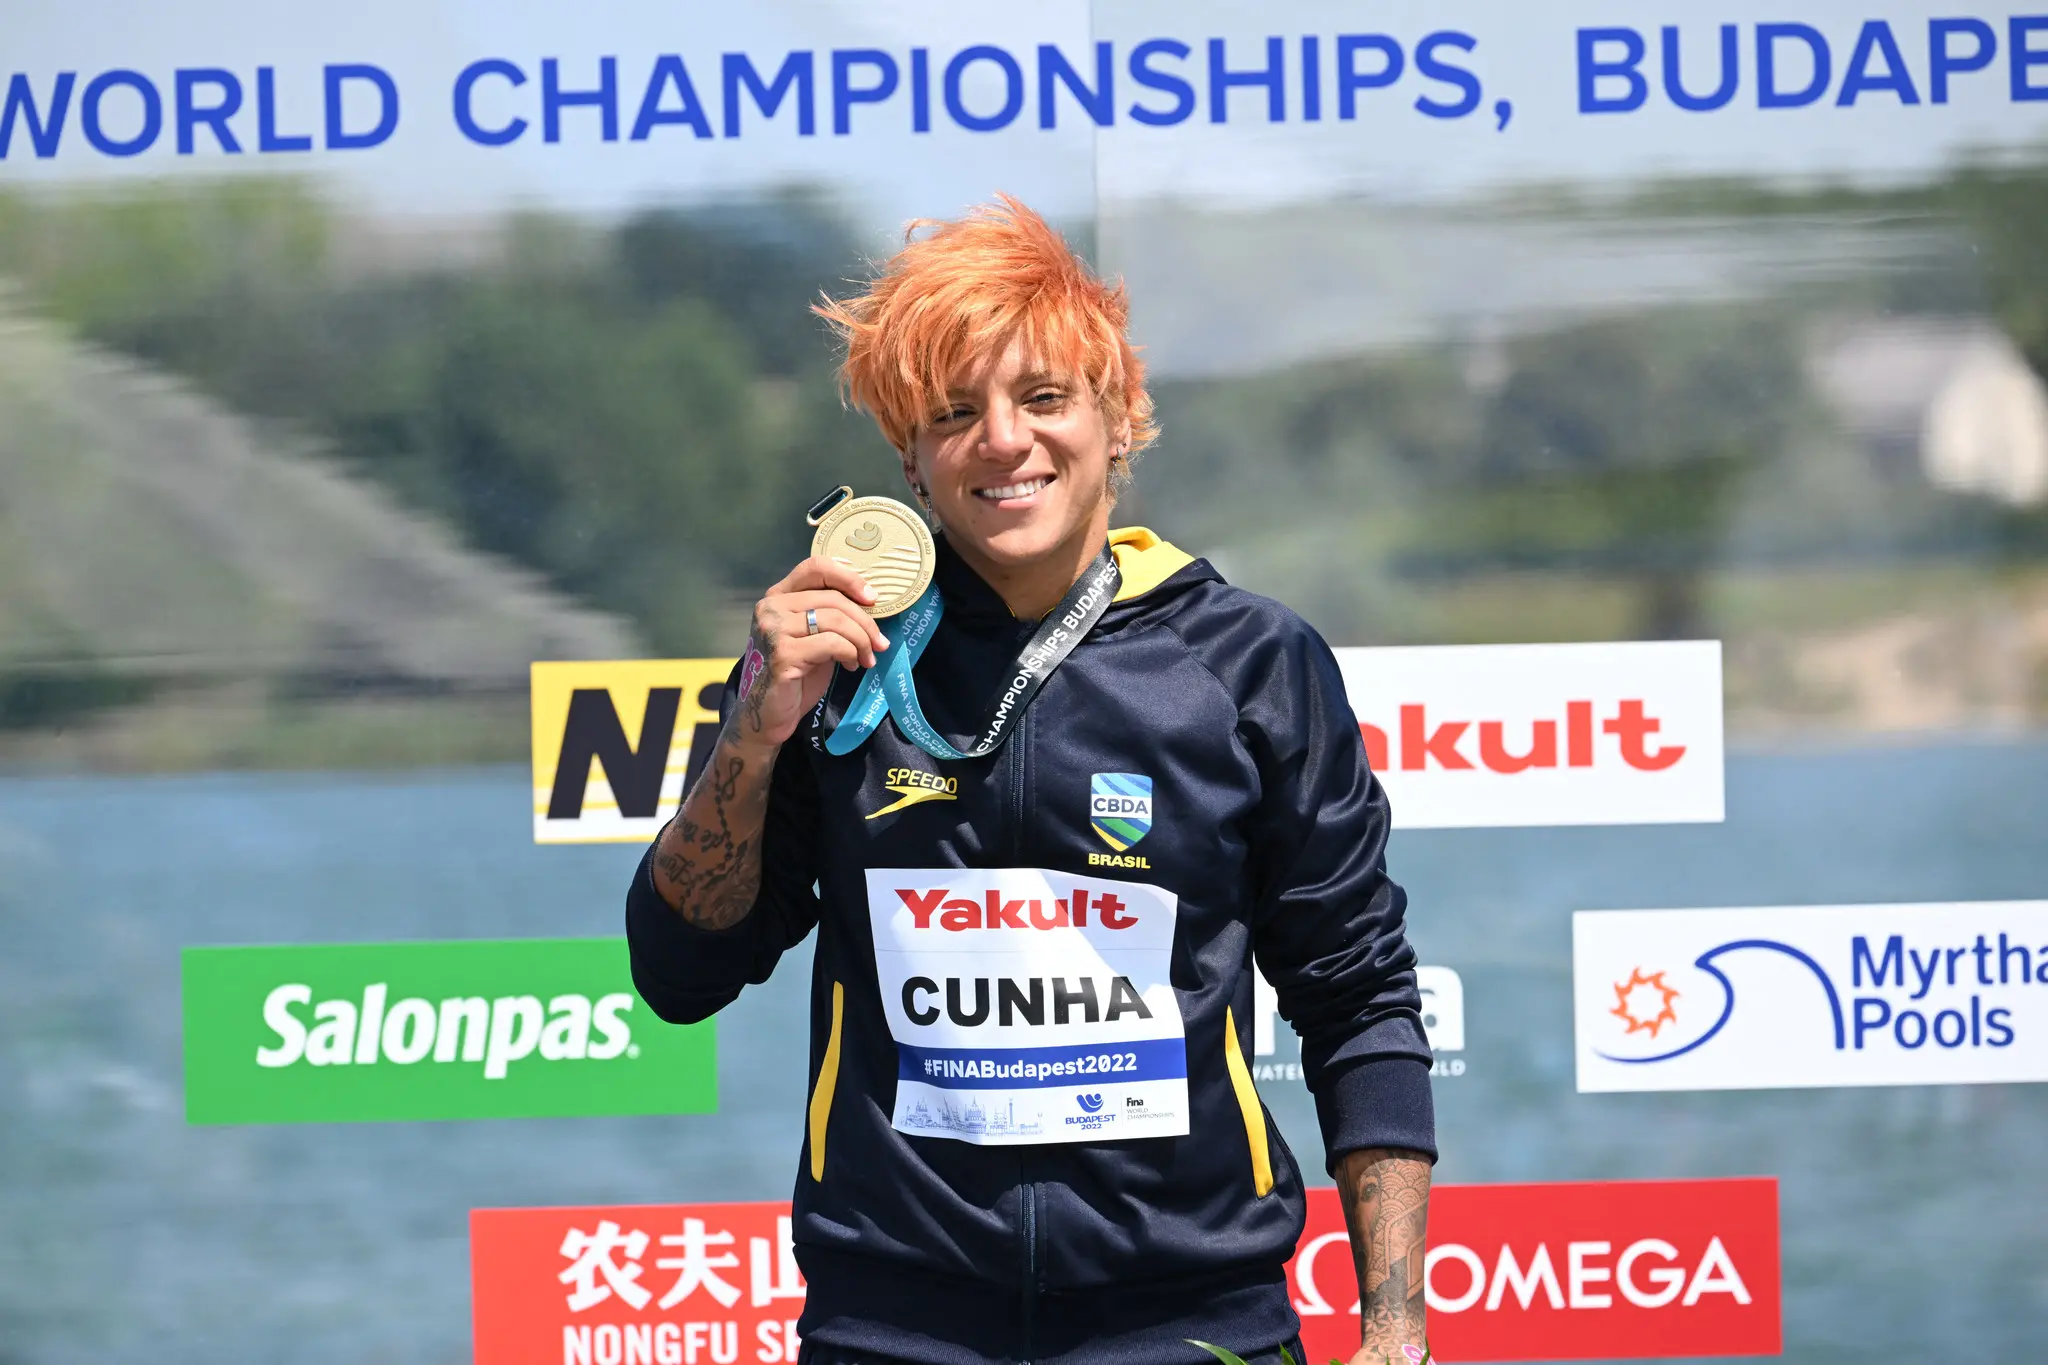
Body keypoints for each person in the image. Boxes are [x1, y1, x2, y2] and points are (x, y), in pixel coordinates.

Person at [626, 196, 1435, 1365]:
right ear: (908, 457)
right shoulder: (824, 665)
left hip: (1190, 1325)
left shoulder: (1250, 663)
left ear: (1120, 420)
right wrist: (751, 734)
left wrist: (1394, 1329)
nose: (1003, 441)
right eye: (955, 414)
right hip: (891, 1328)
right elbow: (677, 973)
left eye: (1042, 400)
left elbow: (1356, 996)